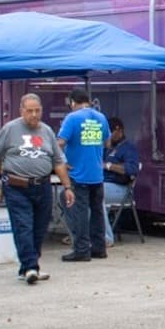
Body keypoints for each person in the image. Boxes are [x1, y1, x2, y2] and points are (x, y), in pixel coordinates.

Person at [0, 93, 75, 285]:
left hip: (42, 185)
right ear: (21, 111)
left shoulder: (46, 132)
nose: (34, 115)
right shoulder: (10, 129)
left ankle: (28, 265)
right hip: (16, 186)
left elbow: (58, 161)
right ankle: (30, 267)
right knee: (24, 226)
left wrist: (67, 186)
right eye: (30, 111)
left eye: (37, 111)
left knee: (39, 229)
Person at [57, 88, 110, 262]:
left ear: (72, 102)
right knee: (97, 212)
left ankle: (81, 249)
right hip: (97, 173)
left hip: (78, 174)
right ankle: (99, 248)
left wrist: (61, 162)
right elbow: (107, 141)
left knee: (77, 211)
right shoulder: (101, 117)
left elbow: (61, 142)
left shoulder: (72, 118)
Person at [101, 117, 140, 245]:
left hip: (121, 188)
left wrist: (108, 166)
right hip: (103, 184)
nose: (108, 137)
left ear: (118, 130)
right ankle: (81, 233)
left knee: (95, 195)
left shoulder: (128, 148)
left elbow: (132, 169)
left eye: (109, 134)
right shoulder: (107, 148)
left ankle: (105, 238)